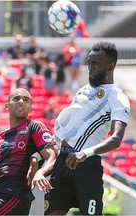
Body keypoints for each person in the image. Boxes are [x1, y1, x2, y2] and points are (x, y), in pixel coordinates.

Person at [43, 41, 130, 215]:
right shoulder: (84, 90)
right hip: (63, 160)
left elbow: (116, 139)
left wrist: (86, 153)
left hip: (86, 165)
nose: (90, 67)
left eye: (95, 63)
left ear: (110, 65)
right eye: (89, 63)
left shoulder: (118, 98)